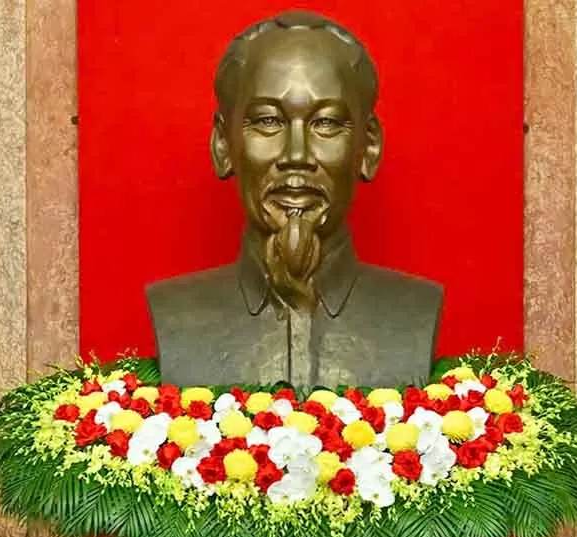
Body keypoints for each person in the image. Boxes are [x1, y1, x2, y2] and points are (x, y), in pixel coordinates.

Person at [146, 9, 443, 389]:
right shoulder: (176, 313)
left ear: (368, 147)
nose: (296, 155)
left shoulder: (415, 310)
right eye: (269, 121)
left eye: (326, 123)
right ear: (223, 144)